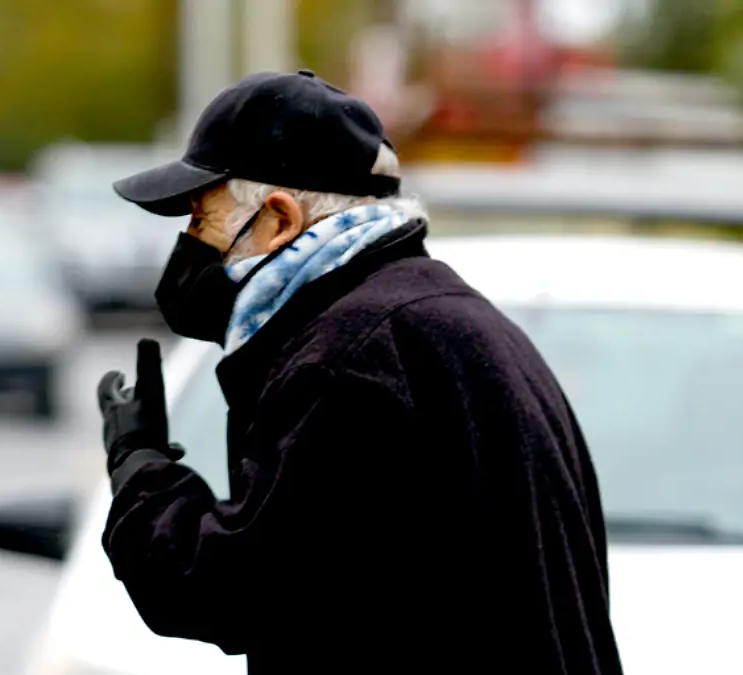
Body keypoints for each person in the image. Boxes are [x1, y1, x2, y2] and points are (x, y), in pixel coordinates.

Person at [95, 69, 623, 675]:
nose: (188, 242)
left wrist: (140, 469)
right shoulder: (445, 319)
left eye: (199, 217)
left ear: (277, 218)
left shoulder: (351, 357)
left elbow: (231, 588)